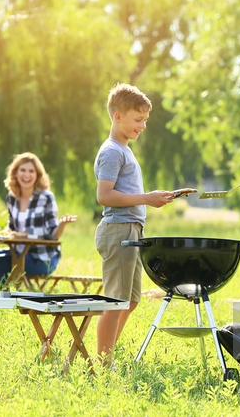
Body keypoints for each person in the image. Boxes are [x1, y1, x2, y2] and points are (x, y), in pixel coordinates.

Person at [94, 83, 174, 361]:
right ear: (118, 116)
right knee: (115, 301)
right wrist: (146, 198)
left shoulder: (125, 149)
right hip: (118, 230)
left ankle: (108, 355)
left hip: (132, 231)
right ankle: (103, 363)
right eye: (138, 120)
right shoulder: (113, 151)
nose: (142, 126)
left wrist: (151, 198)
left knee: (131, 300)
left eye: (145, 121)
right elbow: (104, 196)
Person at [0, 152, 77, 287]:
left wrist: (62, 224)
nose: (26, 175)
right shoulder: (12, 197)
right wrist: (3, 232)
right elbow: (12, 228)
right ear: (15, 173)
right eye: (22, 170)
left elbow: (53, 235)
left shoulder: (46, 197)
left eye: (31, 171)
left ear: (37, 175)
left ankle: (4, 299)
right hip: (17, 253)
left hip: (41, 257)